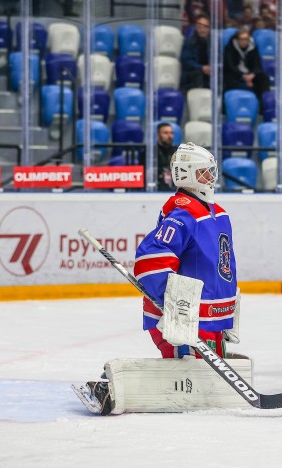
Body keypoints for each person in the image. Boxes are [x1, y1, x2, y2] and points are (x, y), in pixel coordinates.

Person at [76, 143, 243, 414]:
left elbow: (222, 267)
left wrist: (230, 314)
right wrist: (172, 304)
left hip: (209, 318)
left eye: (211, 171)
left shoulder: (217, 212)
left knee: (210, 377)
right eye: (203, 172)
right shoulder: (182, 212)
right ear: (186, 175)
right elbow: (151, 260)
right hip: (182, 317)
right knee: (191, 374)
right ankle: (110, 387)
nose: (211, 177)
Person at [223, 27, 270, 101]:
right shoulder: (229, 48)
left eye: (246, 39)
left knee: (263, 78)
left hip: (250, 74)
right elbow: (229, 66)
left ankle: (262, 105)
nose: (244, 42)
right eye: (242, 39)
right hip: (235, 73)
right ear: (237, 39)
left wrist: (252, 74)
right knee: (229, 80)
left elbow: (257, 65)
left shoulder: (253, 47)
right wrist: (243, 76)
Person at [180, 14, 211, 92]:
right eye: (200, 27)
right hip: (193, 76)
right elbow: (185, 61)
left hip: (209, 76)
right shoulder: (190, 42)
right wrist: (201, 68)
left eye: (205, 27)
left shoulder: (213, 43)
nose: (202, 29)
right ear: (196, 28)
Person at [155, 123, 176, 192]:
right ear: (158, 135)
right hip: (157, 189)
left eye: (171, 133)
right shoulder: (151, 152)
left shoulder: (177, 151)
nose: (169, 136)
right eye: (166, 133)